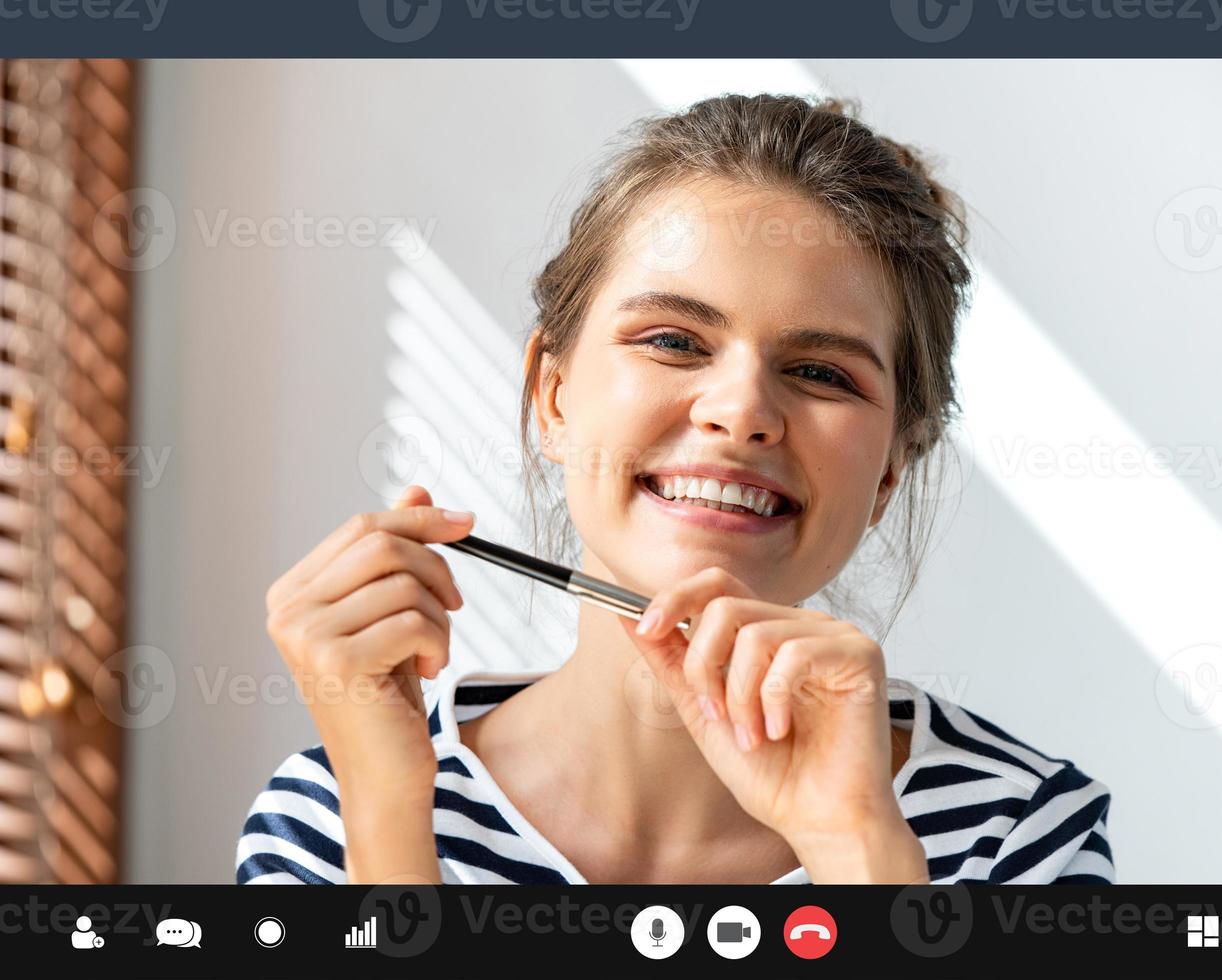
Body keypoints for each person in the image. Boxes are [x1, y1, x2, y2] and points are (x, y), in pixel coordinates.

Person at [236, 93, 1113, 885]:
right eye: (673, 341)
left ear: (890, 470)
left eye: (819, 371)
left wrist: (856, 846)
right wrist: (389, 821)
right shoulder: (332, 812)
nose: (741, 412)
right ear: (553, 395)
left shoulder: (1021, 833)